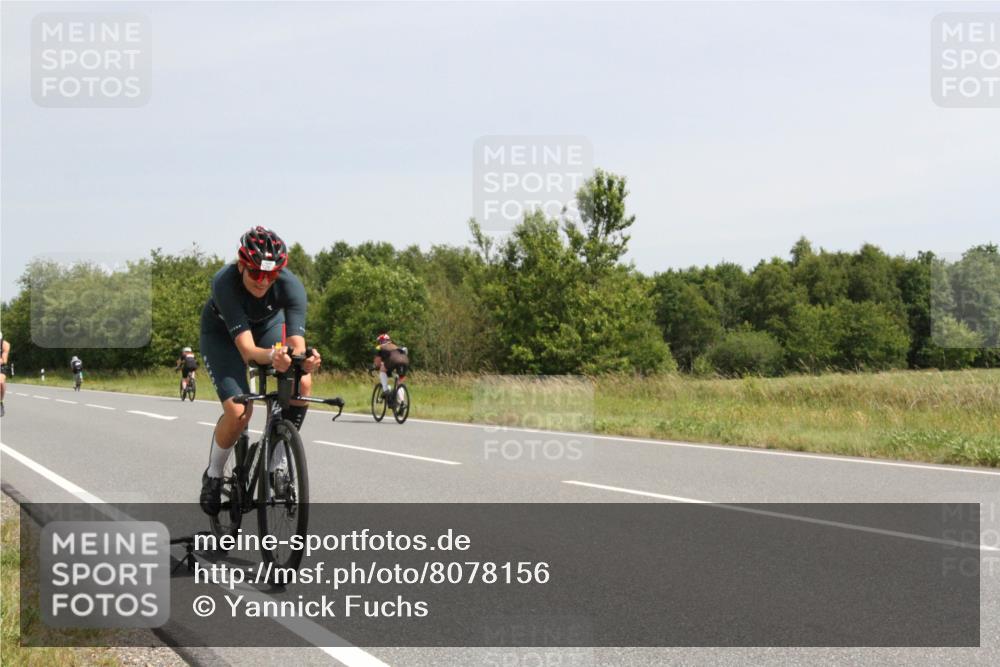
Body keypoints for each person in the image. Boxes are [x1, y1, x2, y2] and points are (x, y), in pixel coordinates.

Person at [199, 226, 321, 516]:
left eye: (271, 274)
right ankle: (214, 474)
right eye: (255, 273)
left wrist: (304, 361)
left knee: (302, 385)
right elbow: (247, 351)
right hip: (224, 337)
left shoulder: (291, 286)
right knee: (239, 412)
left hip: (266, 327)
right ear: (242, 264)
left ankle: (276, 462)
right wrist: (272, 356)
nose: (263, 281)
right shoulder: (224, 282)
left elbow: (296, 345)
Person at [373, 332, 409, 403]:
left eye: (379, 341)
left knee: (382, 370)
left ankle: (386, 390)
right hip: (405, 361)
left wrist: (376, 367)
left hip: (393, 360)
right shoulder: (396, 346)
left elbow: (378, 362)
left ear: (381, 341)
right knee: (399, 383)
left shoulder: (380, 347)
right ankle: (402, 402)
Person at [0, 331, 10, 417]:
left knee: (1, 382)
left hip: (0, 365)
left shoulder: (5, 344)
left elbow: (4, 360)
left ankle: (0, 402)